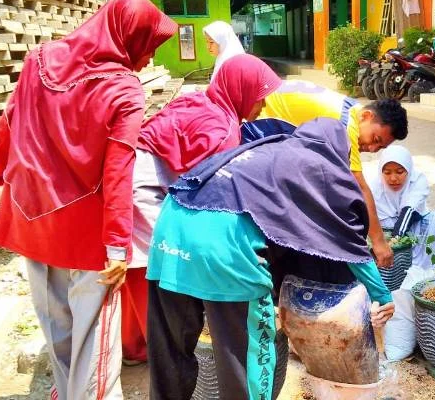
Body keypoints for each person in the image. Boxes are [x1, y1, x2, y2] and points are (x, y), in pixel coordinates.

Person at [0, 0, 176, 399]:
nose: (147, 58)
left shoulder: (39, 60)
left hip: (32, 220)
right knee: (94, 335)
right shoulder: (123, 89)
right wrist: (117, 242)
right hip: (87, 234)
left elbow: (11, 118)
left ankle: (68, 391)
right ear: (127, 36)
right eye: (148, 44)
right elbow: (118, 170)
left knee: (56, 322)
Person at [145, 119, 395, 399]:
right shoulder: (317, 164)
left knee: (170, 352)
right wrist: (381, 294)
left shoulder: (267, 150)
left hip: (170, 226)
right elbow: (348, 238)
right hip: (224, 241)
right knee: (245, 364)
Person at [121, 54, 281, 364]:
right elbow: (211, 198)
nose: (262, 108)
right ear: (242, 90)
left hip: (129, 175)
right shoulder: (223, 131)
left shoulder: (203, 101)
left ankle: (134, 346)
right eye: (259, 99)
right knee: (160, 266)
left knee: (137, 268)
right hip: (143, 189)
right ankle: (157, 352)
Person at [248, 79, 410, 268]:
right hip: (258, 121)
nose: (372, 148)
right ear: (366, 116)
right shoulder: (348, 125)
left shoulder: (352, 110)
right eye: (375, 139)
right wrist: (379, 242)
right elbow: (359, 187)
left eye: (380, 147)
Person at [367, 144, 435, 288]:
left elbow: (408, 211)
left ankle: (433, 264)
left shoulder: (418, 180)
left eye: (399, 171)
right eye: (387, 172)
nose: (393, 178)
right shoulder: (374, 187)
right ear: (381, 172)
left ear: (408, 170)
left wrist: (395, 238)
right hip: (384, 234)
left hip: (414, 228)